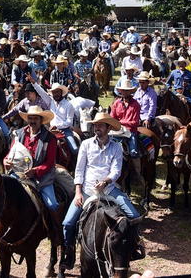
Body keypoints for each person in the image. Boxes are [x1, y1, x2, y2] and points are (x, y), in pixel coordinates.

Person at [60, 112, 143, 270]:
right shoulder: (85, 144)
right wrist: (78, 192)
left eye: (100, 125)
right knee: (68, 223)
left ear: (108, 128)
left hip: (109, 189)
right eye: (95, 125)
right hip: (87, 190)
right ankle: (69, 253)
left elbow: (116, 171)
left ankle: (133, 248)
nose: (96, 127)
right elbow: (79, 170)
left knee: (134, 216)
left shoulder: (116, 147)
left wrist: (105, 181)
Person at [3, 105, 64, 243]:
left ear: (41, 120)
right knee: (2, 197)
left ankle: (55, 232)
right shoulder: (18, 134)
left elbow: (49, 163)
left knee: (52, 204)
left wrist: (35, 171)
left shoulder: (50, 138)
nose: (32, 121)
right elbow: (10, 154)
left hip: (41, 178)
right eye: (30, 118)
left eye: (35, 118)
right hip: (18, 175)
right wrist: (6, 161)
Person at [31, 78, 78, 154]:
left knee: (74, 149)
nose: (56, 94)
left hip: (65, 131)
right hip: (51, 130)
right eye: (54, 92)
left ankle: (76, 164)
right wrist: (33, 82)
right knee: (38, 145)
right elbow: (41, 93)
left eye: (57, 92)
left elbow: (69, 122)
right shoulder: (50, 101)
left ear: (61, 92)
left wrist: (57, 126)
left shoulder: (69, 105)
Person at [110, 80, 142, 158]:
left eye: (127, 91)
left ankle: (137, 170)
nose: (124, 92)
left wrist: (120, 122)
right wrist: (116, 124)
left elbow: (135, 122)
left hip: (130, 131)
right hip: (117, 131)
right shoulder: (116, 103)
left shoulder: (136, 105)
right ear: (120, 91)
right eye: (123, 90)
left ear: (130, 92)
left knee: (133, 152)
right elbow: (112, 117)